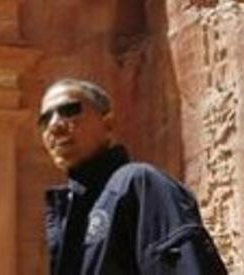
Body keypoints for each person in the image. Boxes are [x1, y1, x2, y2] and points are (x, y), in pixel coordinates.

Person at [39, 79, 227, 274]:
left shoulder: (140, 184)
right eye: (44, 120)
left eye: (69, 110)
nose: (54, 126)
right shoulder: (72, 212)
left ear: (108, 124)